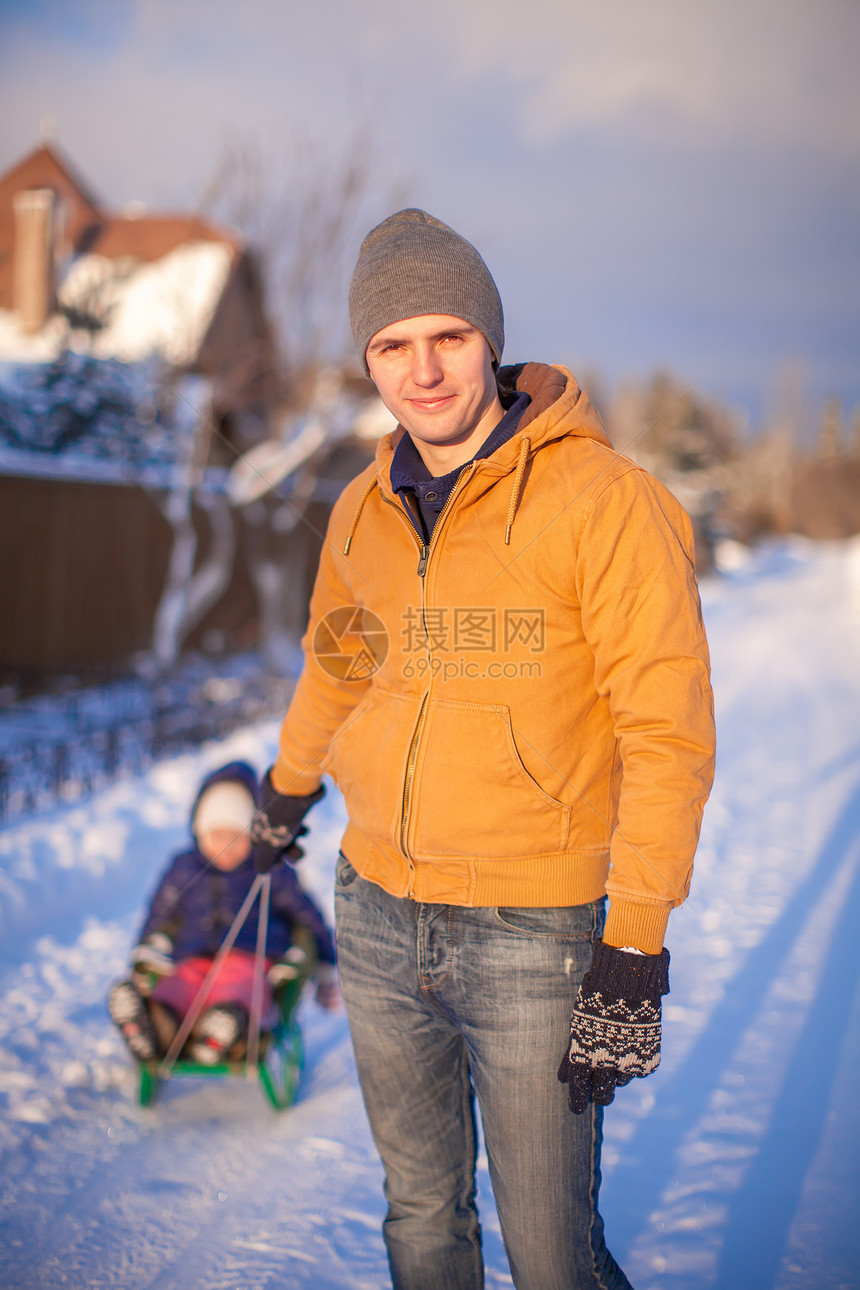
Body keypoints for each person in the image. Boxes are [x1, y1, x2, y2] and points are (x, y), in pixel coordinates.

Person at [252, 210, 716, 1289]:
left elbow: (665, 729)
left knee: (550, 1256)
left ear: (489, 339)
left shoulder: (604, 503)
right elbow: (336, 667)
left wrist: (635, 941)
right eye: (390, 346)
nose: (421, 371)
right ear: (366, 359)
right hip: (372, 910)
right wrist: (284, 791)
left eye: (446, 337)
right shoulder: (359, 513)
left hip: (533, 932)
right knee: (419, 1220)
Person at [108, 761, 338, 1066]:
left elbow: (306, 914)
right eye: (216, 836)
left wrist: (325, 968)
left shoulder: (269, 868)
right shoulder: (184, 868)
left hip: (251, 959)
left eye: (236, 836)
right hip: (193, 958)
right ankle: (152, 1026)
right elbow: (159, 913)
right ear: (199, 832)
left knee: (240, 985)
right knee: (178, 986)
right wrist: (142, 951)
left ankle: (225, 1026)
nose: (225, 847)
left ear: (254, 834)